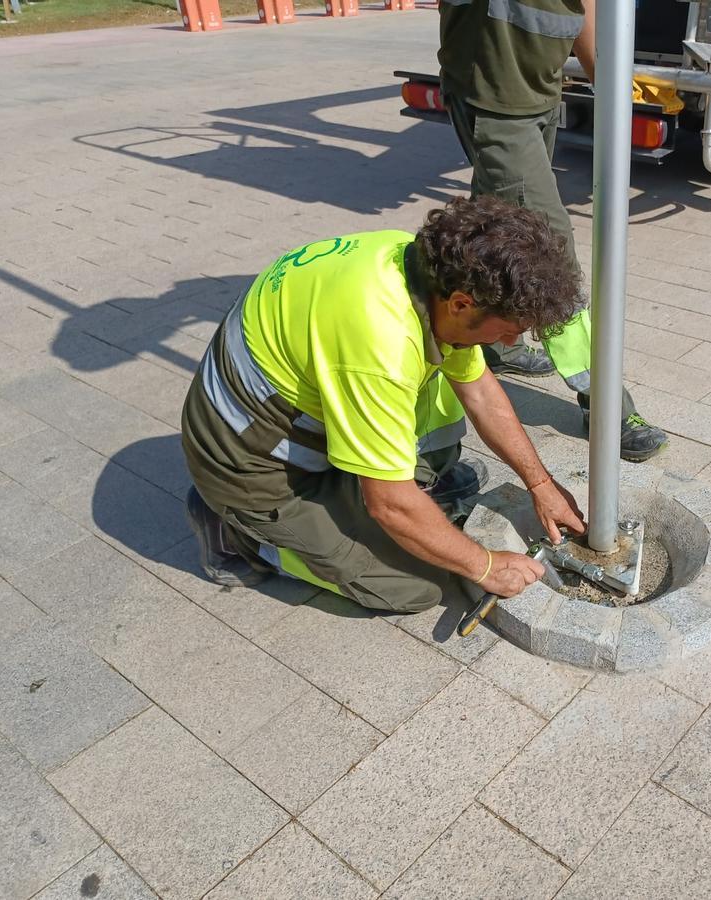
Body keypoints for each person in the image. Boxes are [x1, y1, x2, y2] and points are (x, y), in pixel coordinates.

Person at [181, 196, 587, 613]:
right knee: (417, 585)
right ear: (462, 303)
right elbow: (388, 504)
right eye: (509, 331)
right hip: (248, 464)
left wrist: (540, 484)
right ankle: (240, 534)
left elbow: (480, 391)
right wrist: (486, 567)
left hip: (303, 407)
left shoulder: (429, 269)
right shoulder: (381, 345)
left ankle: (374, 491)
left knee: (439, 411)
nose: (509, 343)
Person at [438, 0, 670, 462]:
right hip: (495, 97)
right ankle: (605, 406)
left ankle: (486, 338)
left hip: (540, 92)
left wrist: (603, 74)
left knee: (494, 232)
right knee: (548, 260)